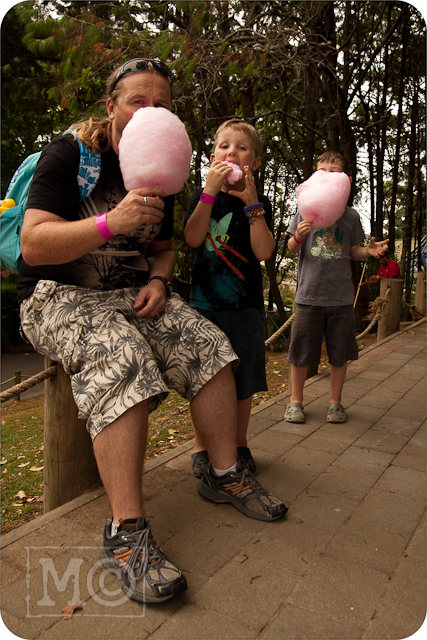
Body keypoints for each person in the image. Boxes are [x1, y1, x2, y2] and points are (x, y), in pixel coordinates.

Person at [18, 59, 287, 606]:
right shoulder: (70, 155)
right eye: (139, 101)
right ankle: (126, 533)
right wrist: (109, 223)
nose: (152, 112)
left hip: (133, 294)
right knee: (122, 359)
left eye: (162, 103)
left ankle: (222, 472)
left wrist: (162, 282)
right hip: (56, 298)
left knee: (211, 343)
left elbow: (164, 250)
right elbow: (33, 243)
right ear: (112, 107)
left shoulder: (160, 169)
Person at [184, 119, 274, 478]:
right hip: (204, 308)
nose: (231, 152)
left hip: (246, 308)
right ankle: (201, 447)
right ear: (211, 158)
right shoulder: (203, 196)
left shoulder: (259, 203)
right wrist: (208, 192)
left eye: (241, 147)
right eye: (224, 146)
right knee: (204, 382)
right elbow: (192, 238)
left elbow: (264, 251)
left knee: (243, 382)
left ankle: (239, 444)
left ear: (254, 162)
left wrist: (253, 206)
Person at [284, 151, 388, 425]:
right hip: (309, 296)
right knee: (301, 353)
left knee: (339, 353)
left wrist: (368, 250)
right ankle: (295, 401)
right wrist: (298, 236)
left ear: (346, 180)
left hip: (341, 297)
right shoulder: (304, 210)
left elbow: (353, 251)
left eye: (334, 171)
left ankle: (335, 403)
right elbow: (291, 248)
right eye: (321, 170)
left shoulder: (350, 216)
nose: (327, 175)